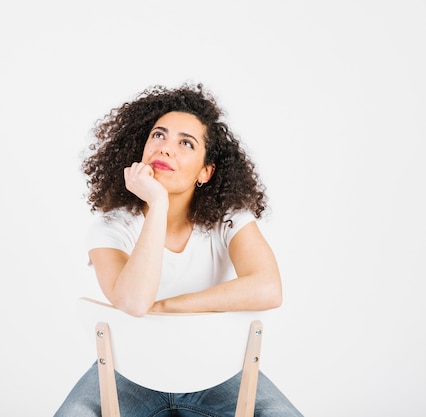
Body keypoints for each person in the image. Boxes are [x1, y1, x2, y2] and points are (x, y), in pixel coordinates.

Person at [54, 83, 302, 416]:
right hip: (129, 371)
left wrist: (169, 307)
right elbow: (133, 302)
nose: (166, 148)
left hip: (217, 370)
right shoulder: (111, 227)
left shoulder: (229, 220)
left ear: (205, 171)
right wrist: (156, 203)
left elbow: (269, 288)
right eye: (158, 135)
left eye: (186, 142)